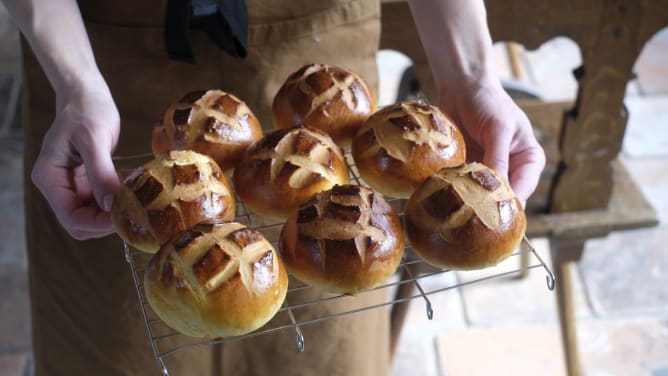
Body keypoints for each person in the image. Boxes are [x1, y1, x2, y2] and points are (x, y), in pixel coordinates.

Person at [4, 0, 545, 375]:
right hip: (102, 62)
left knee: (319, 346)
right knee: (115, 346)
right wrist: (76, 86)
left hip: (316, 44)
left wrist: (472, 75)